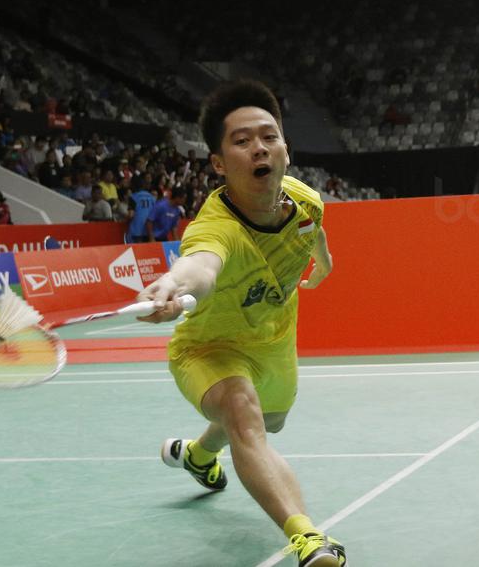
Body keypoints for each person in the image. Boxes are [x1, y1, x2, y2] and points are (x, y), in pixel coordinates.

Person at [135, 81, 343, 567]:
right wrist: (173, 285)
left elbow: (312, 230)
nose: (259, 148)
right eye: (242, 140)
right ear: (218, 163)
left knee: (269, 420)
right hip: (208, 346)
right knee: (243, 414)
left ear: (285, 148)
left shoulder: (305, 199)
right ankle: (308, 538)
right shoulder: (216, 228)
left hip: (272, 337)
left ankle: (199, 456)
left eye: (268, 137)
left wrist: (325, 262)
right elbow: (201, 266)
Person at [126, 178, 158, 243]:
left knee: (137, 252)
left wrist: (126, 219)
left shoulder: (133, 197)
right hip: (149, 230)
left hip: (136, 230)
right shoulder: (152, 197)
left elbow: (131, 215)